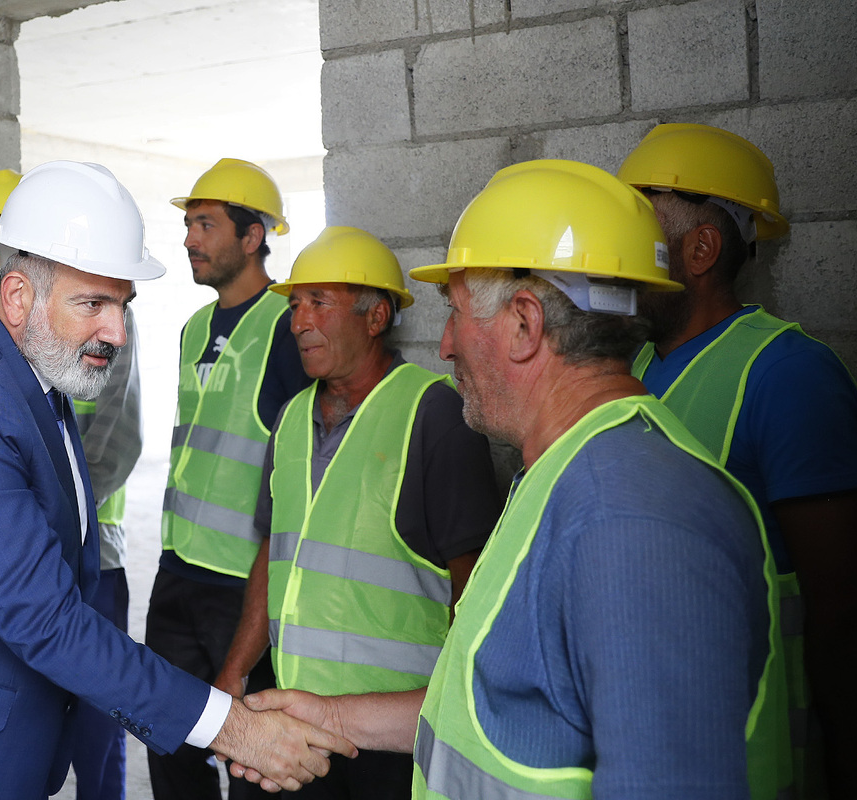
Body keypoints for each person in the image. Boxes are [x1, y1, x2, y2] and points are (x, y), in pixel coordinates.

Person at [0, 161, 354, 800]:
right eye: (93, 304)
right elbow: (43, 618)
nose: (117, 332)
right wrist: (232, 728)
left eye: (123, 305)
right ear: (18, 296)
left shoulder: (38, 379)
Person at [233, 160, 794, 799]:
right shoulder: (565, 473)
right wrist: (332, 718)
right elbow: (498, 707)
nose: (445, 344)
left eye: (455, 313)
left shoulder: (631, 520)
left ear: (525, 323)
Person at [617, 123, 857, 799]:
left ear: (701, 249)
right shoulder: (635, 367)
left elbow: (847, 620)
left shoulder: (788, 375)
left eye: (638, 229)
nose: (618, 252)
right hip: (652, 750)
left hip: (750, 766)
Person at [214, 226, 502, 799]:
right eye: (295, 305)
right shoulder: (290, 418)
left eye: (319, 302)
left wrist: (458, 716)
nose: (299, 322)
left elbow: (473, 587)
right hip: (296, 723)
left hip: (391, 738)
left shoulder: (434, 414)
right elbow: (274, 553)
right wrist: (234, 671)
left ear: (376, 318)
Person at [0, 168, 145, 800]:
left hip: (94, 555)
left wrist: (61, 515)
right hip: (27, 556)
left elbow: (120, 436)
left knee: (98, 713)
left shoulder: (99, 326)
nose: (0, 244)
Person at [146, 158, 312, 800]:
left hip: (243, 583)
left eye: (206, 225)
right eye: (189, 224)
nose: (190, 238)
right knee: (167, 739)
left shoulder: (287, 325)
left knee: (249, 760)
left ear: (252, 237)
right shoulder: (194, 329)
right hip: (177, 567)